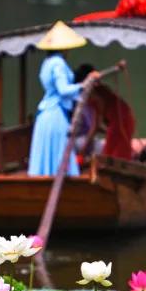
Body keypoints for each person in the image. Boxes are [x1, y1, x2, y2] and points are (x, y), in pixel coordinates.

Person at [27, 21, 96, 176]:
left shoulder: (47, 62)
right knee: (61, 150)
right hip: (55, 114)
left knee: (50, 152)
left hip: (46, 113)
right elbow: (64, 90)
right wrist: (84, 85)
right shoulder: (58, 63)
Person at [73, 64, 136, 162]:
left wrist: (82, 151)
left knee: (113, 155)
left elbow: (97, 121)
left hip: (120, 119)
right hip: (120, 119)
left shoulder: (93, 91)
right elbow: (96, 124)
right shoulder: (95, 91)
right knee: (114, 152)